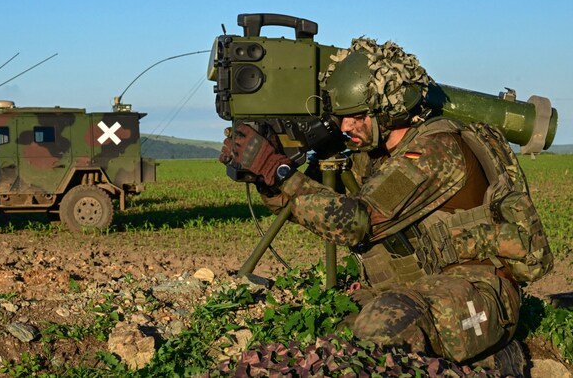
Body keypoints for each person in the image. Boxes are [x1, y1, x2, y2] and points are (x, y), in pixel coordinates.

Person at [220, 38, 553, 376]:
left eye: (357, 117)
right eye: (342, 118)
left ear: (389, 111)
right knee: (331, 346)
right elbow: (317, 201)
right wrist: (266, 177)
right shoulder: (375, 155)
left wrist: (279, 172)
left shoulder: (433, 153)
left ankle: (494, 363)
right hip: (411, 289)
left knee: (380, 332)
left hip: (476, 292)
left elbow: (355, 222)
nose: (346, 128)